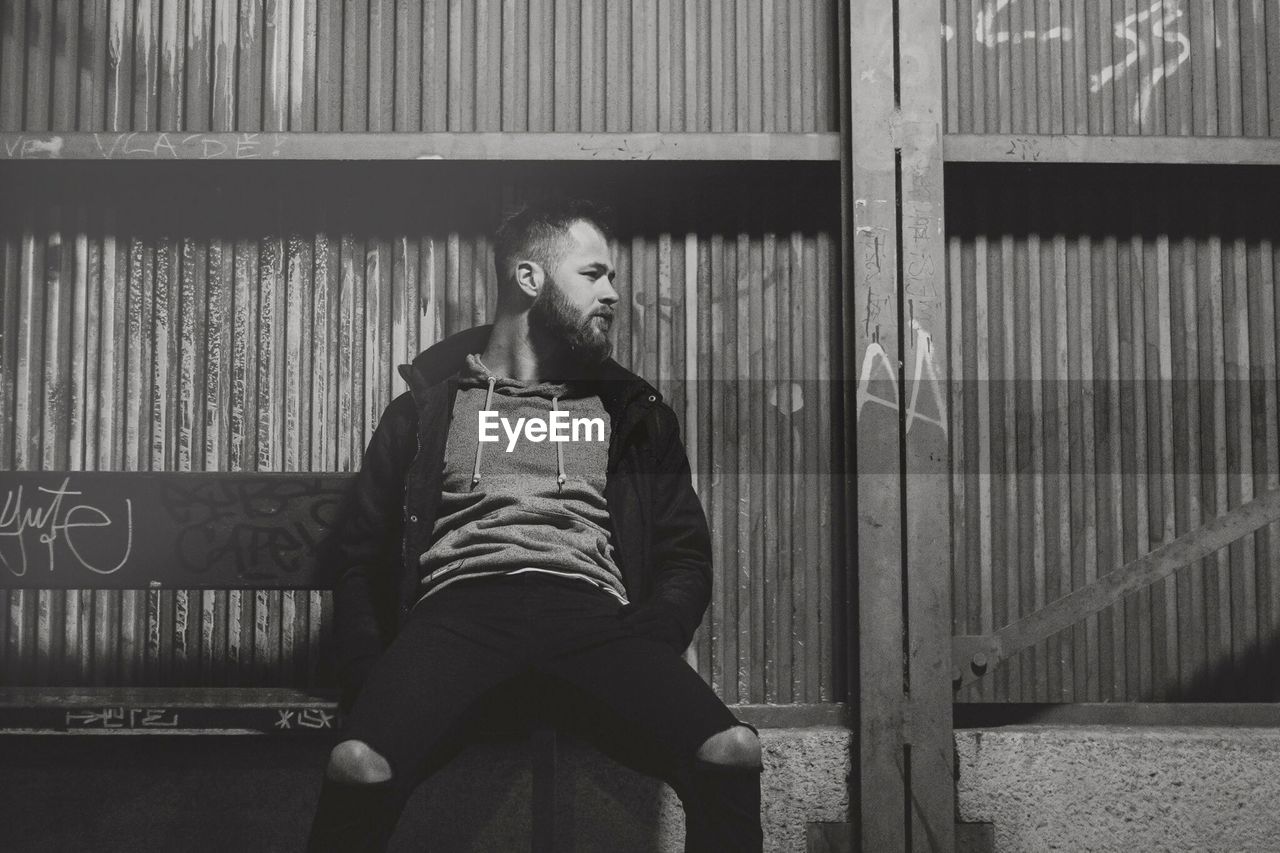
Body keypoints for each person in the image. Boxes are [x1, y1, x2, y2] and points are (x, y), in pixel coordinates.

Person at [305, 198, 763, 851]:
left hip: (592, 620)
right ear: (530, 279)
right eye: (593, 274)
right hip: (456, 617)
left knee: (733, 750)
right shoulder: (427, 409)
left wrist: (650, 640)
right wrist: (369, 669)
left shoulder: (632, 414)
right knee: (357, 765)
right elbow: (357, 556)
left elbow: (685, 553)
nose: (612, 293)